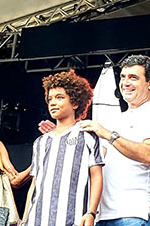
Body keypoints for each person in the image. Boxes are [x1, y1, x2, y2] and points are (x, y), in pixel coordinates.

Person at [79, 55, 150, 226]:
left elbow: (149, 154)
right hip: (102, 215)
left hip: (135, 213)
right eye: (123, 77)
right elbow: (96, 162)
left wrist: (108, 134)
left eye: (133, 78)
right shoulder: (115, 119)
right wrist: (64, 134)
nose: (126, 83)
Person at [23, 70, 103, 226]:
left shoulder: (87, 136)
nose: (53, 102)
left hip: (73, 220)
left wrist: (91, 212)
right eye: (50, 99)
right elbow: (35, 184)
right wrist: (25, 218)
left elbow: (96, 177)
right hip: (36, 220)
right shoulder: (40, 142)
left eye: (59, 98)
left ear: (75, 102)